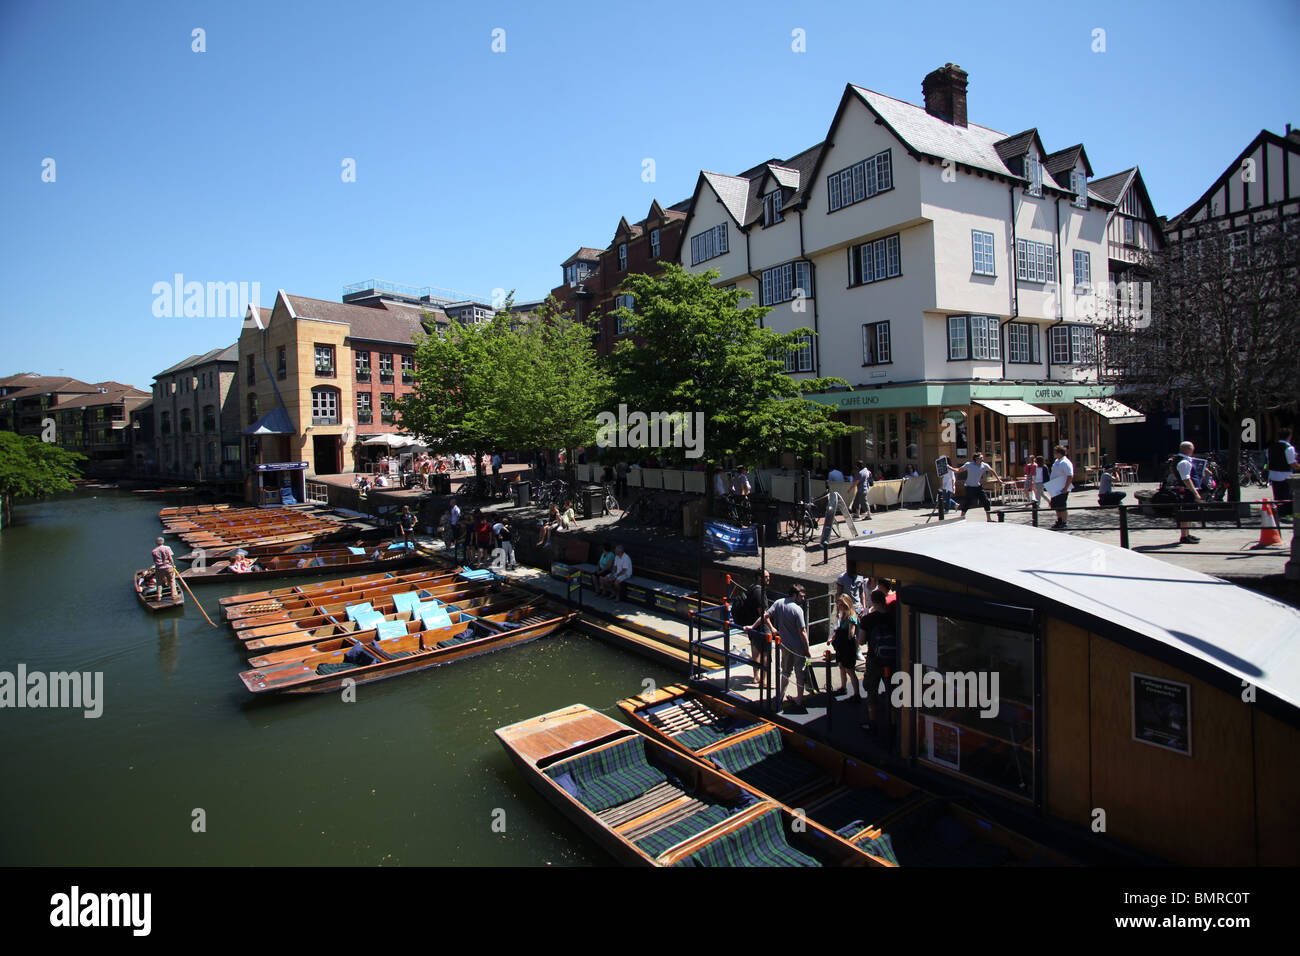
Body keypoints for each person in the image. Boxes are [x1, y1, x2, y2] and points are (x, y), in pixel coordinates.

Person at [764, 585, 810, 712]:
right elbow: (803, 632)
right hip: (798, 647)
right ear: (794, 595)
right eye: (801, 596)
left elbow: (765, 615)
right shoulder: (798, 610)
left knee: (785, 672)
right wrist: (807, 649)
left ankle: (780, 696)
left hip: (785, 646)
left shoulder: (779, 603)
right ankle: (799, 699)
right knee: (799, 672)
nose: (803, 598)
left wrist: (771, 628)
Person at [859, 589, 896, 735]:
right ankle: (893, 725)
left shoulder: (868, 619)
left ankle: (872, 723)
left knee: (872, 692)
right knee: (892, 692)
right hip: (891, 661)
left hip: (874, 659)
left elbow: (861, 640)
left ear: (872, 600)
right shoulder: (892, 617)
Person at [732, 571, 770, 690]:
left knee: (755, 651)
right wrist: (772, 627)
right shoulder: (759, 591)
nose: (769, 579)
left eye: (769, 576)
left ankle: (756, 676)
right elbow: (762, 612)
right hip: (761, 626)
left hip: (752, 625)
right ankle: (764, 681)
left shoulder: (752, 588)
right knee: (765, 654)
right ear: (759, 578)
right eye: (766, 577)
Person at [826, 593, 861, 698]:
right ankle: (843, 687)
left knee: (850, 670)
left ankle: (856, 694)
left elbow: (851, 634)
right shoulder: (843, 616)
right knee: (841, 666)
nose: (839, 607)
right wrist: (833, 638)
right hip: (841, 646)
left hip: (848, 646)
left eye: (841, 605)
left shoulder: (851, 617)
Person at [1166, 441, 1202, 545]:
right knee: (1186, 512)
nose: (1193, 451)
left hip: (1186, 490)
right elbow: (1186, 479)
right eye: (1192, 449)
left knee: (1189, 513)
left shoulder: (1180, 460)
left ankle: (1187, 534)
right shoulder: (1184, 462)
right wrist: (1195, 493)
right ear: (1188, 449)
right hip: (1187, 491)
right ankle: (1184, 536)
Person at [949, 453, 999, 521]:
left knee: (986, 501)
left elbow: (992, 470)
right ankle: (961, 517)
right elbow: (958, 470)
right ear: (976, 459)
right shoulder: (969, 464)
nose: (982, 459)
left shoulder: (984, 465)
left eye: (982, 458)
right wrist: (949, 467)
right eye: (981, 458)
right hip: (969, 487)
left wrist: (998, 479)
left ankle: (989, 518)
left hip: (978, 487)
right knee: (968, 502)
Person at [1267, 427, 1299, 521]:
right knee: (1288, 496)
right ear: (1289, 436)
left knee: (1278, 496)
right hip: (1285, 476)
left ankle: (1279, 514)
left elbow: (1268, 462)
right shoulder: (1289, 448)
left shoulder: (1271, 447)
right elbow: (1293, 464)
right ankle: (1287, 515)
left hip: (1273, 474)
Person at [1046, 445, 1074, 530]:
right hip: (1055, 486)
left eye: (1055, 452)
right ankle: (1059, 520)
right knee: (1056, 505)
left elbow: (1070, 475)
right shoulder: (1056, 461)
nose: (1054, 454)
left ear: (1059, 453)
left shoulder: (1065, 462)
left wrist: (1066, 487)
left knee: (1062, 505)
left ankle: (1064, 522)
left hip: (1062, 486)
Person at [150, 537, 179, 601]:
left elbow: (155, 561)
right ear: (163, 542)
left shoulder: (154, 551)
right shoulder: (167, 548)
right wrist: (173, 565)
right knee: (172, 581)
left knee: (159, 582)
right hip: (168, 567)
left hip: (159, 568)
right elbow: (170, 558)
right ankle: (174, 595)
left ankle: (158, 596)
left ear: (156, 543)